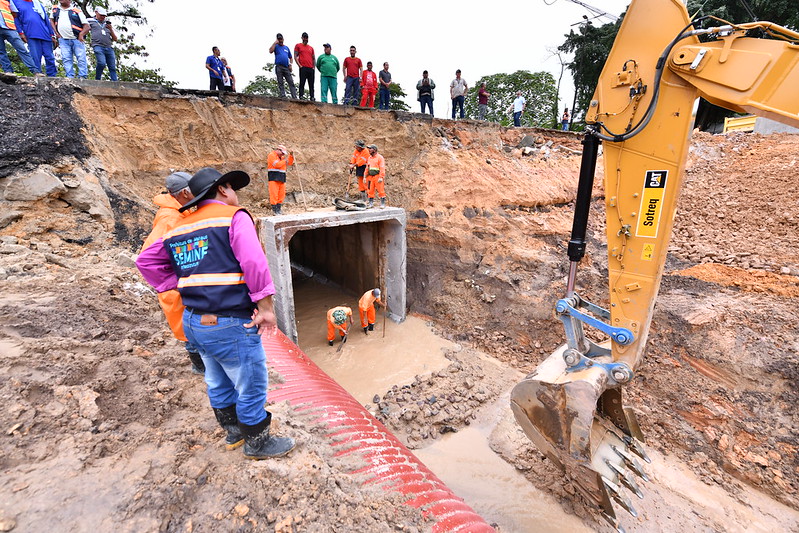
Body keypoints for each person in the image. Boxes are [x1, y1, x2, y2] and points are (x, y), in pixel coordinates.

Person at [136, 167, 296, 460]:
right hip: (229, 322)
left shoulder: (179, 227)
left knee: (217, 378)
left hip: (195, 321)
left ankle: (233, 432)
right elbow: (254, 261)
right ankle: (257, 442)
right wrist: (267, 308)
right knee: (251, 382)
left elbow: (146, 260)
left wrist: (182, 284)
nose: (235, 194)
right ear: (223, 190)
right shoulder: (233, 218)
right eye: (233, 188)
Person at [140, 172, 205, 375]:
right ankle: (200, 367)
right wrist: (174, 282)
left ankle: (201, 365)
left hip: (179, 282)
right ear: (185, 192)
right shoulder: (171, 218)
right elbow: (146, 259)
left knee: (191, 327)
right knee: (190, 331)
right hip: (176, 286)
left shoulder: (177, 211)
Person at [10, 0, 55, 76]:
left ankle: (52, 75)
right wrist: (20, 33)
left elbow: (46, 20)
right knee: (35, 56)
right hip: (30, 34)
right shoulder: (15, 2)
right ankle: (38, 74)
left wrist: (52, 34)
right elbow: (15, 19)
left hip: (45, 34)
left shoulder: (37, 3)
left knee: (49, 57)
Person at [50, 0, 88, 79]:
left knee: (81, 58)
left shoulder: (77, 11)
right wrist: (56, 33)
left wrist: (81, 34)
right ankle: (70, 76)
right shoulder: (55, 9)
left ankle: (82, 76)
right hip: (63, 39)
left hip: (76, 39)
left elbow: (87, 26)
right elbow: (51, 20)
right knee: (66, 58)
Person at [87, 6, 117, 81]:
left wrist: (110, 29)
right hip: (98, 46)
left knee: (112, 67)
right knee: (101, 63)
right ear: (96, 13)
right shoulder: (90, 21)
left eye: (104, 15)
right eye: (101, 15)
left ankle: (115, 81)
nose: (103, 17)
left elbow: (115, 39)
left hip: (109, 47)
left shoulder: (107, 23)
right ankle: (97, 79)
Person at [266, 145, 294, 215]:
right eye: (282, 153)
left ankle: (279, 209)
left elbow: (289, 163)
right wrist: (284, 161)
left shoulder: (282, 157)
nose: (283, 154)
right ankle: (275, 210)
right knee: (274, 194)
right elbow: (277, 165)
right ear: (278, 150)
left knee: (281, 195)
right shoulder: (271, 155)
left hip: (281, 177)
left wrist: (291, 156)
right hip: (273, 177)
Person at [269, 33, 296, 99]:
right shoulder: (276, 46)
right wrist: (275, 43)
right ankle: (283, 95)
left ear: (283, 39)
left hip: (286, 67)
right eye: (279, 39)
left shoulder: (286, 47)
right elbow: (270, 51)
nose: (280, 40)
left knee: (291, 82)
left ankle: (294, 96)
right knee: (280, 82)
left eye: (281, 39)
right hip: (279, 66)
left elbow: (291, 57)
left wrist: (290, 64)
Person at [294, 32, 315, 101]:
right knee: (302, 82)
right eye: (304, 37)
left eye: (306, 37)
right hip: (303, 67)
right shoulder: (298, 45)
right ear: (302, 38)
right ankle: (301, 95)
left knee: (311, 84)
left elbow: (313, 58)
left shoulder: (311, 48)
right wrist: (299, 65)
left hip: (310, 68)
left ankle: (312, 96)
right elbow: (295, 56)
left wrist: (313, 67)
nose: (305, 39)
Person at [365, 144, 386, 209]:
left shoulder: (380, 157)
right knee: (370, 190)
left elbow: (382, 167)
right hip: (370, 177)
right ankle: (370, 203)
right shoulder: (369, 158)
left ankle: (382, 203)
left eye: (370, 149)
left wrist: (381, 177)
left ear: (374, 150)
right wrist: (364, 177)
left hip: (377, 176)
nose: (369, 150)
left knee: (380, 190)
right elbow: (367, 168)